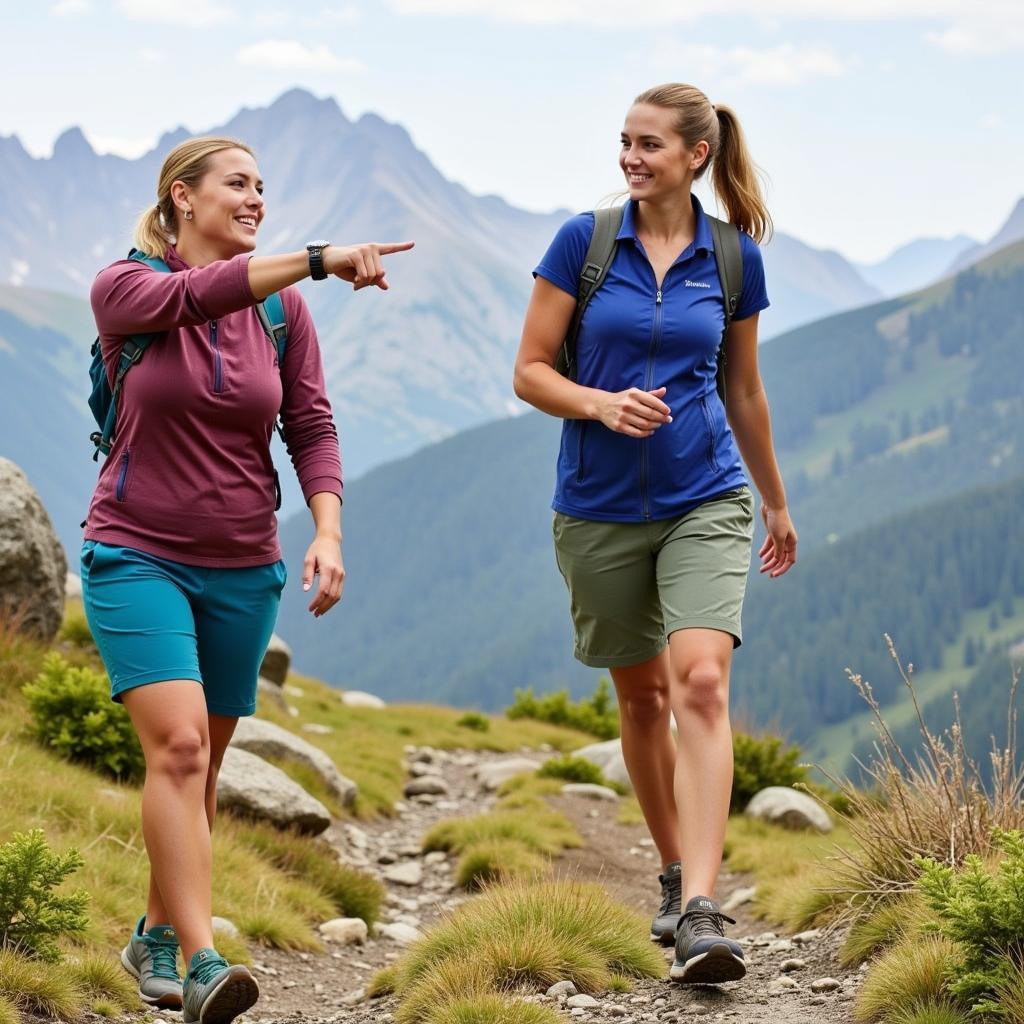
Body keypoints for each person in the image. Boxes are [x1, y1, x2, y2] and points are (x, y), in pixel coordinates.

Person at [81, 135, 413, 1024]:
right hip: (135, 554)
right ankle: (199, 961)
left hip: (244, 566)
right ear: (183, 199)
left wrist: (330, 528)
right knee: (180, 751)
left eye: (265, 185)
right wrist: (314, 259)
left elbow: (309, 421)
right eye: (239, 184)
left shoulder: (281, 315)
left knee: (203, 770)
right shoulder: (127, 287)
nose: (257, 197)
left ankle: (153, 933)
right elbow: (191, 297)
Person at [513, 83, 797, 985]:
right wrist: (599, 402)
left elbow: (743, 389)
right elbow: (527, 372)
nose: (631, 159)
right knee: (641, 702)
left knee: (702, 682)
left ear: (695, 156)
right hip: (596, 506)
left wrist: (776, 503)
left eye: (649, 146)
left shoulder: (734, 256)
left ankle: (706, 908)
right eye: (624, 143)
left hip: (705, 496)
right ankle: (674, 875)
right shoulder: (583, 243)